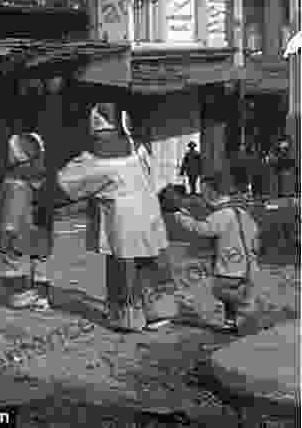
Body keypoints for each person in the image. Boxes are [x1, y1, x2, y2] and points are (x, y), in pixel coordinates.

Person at [56, 103, 176, 332]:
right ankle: (159, 311)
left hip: (121, 222)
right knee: (151, 262)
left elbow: (64, 185)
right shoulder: (137, 147)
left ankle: (128, 319)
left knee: (124, 269)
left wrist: (42, 200)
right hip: (149, 214)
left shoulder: (93, 157)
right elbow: (158, 180)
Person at [171, 170, 261, 333]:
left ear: (211, 193)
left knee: (223, 291)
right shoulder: (241, 212)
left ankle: (238, 320)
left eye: (204, 193)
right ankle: (234, 321)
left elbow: (202, 229)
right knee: (237, 295)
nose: (202, 197)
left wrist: (181, 217)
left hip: (230, 267)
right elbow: (254, 233)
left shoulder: (221, 215)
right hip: (248, 264)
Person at [0, 132, 54, 311]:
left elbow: (8, 209)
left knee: (12, 256)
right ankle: (41, 296)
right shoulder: (44, 177)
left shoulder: (13, 179)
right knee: (41, 258)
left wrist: (4, 232)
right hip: (40, 226)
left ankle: (19, 293)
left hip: (17, 227)